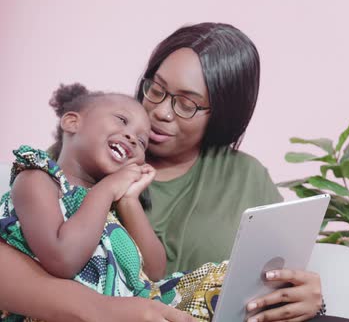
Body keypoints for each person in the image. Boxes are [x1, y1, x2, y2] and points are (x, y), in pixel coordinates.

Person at [0, 23, 332, 322]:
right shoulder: (82, 163)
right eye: (156, 89)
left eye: (186, 104)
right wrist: (105, 310)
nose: (159, 112)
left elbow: (157, 271)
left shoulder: (246, 178)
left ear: (222, 115)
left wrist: (307, 299)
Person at [1, 84, 230, 321]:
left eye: (142, 143)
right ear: (72, 122)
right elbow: (62, 259)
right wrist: (108, 189)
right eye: (121, 120)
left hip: (135, 309)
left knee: (224, 278)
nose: (132, 138)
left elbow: (153, 271)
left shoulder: (112, 208)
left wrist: (129, 200)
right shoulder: (37, 179)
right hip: (56, 313)